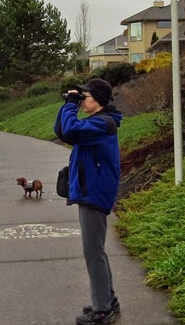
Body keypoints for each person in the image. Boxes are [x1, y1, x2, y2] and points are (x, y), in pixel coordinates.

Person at [54, 78, 122, 325]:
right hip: (90, 190)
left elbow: (71, 130)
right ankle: (109, 299)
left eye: (86, 96)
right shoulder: (96, 123)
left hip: (94, 193)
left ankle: (102, 311)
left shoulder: (103, 124)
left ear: (100, 100)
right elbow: (62, 131)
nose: (83, 100)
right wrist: (67, 104)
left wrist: (72, 104)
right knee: (97, 251)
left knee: (93, 253)